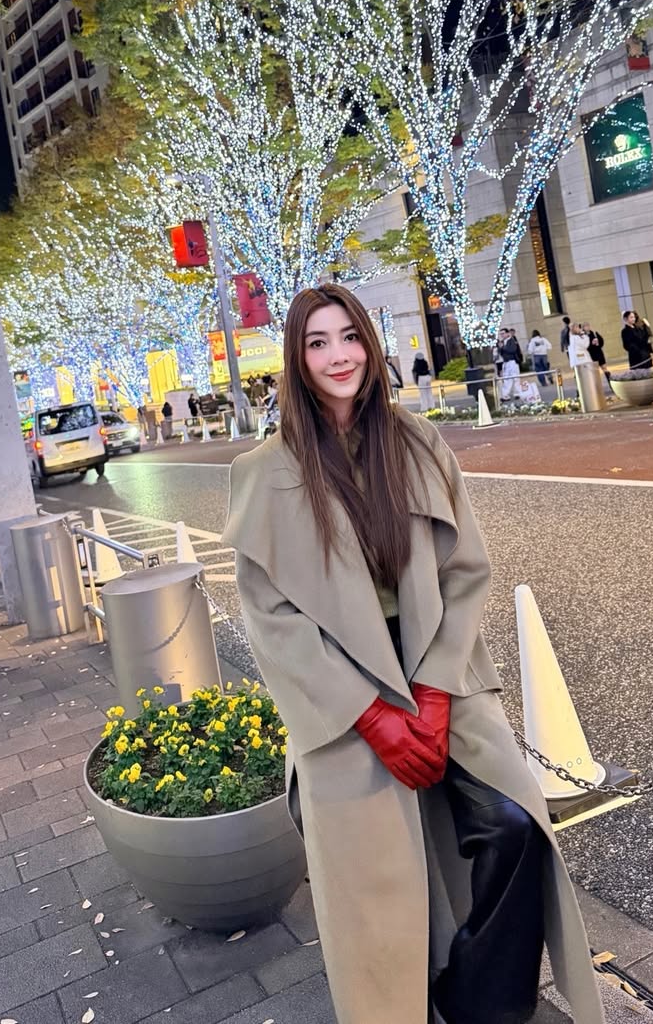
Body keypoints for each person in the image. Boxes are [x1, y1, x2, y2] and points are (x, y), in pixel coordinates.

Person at [222, 284, 603, 1024]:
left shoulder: (418, 441)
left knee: (517, 825)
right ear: (297, 360)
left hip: (440, 666)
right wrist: (371, 716)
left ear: (371, 345)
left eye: (349, 337)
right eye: (318, 343)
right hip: (339, 692)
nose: (339, 356)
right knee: (379, 891)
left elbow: (465, 571)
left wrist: (429, 694)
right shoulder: (265, 471)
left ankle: (478, 1001)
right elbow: (272, 619)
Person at [499, 329, 522, 401]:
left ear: (507, 333)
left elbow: (512, 350)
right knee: (507, 378)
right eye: (501, 334)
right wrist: (501, 348)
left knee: (515, 378)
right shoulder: (502, 342)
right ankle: (505, 395)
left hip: (512, 361)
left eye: (503, 333)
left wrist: (503, 347)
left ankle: (517, 393)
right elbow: (501, 352)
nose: (502, 335)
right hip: (506, 362)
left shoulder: (512, 340)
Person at [585, 325, 611, 390]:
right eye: (585, 326)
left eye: (588, 326)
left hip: (599, 354)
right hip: (592, 356)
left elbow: (601, 343)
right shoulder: (583, 337)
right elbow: (585, 347)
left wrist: (598, 341)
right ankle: (597, 388)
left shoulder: (594, 333)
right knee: (595, 373)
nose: (587, 327)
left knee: (605, 369)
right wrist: (591, 344)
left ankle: (611, 384)